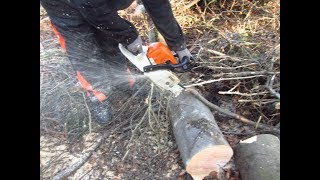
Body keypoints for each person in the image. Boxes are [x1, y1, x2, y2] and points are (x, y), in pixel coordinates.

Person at [40, 0, 192, 124]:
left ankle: (125, 82)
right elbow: (90, 6)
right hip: (63, 7)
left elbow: (158, 6)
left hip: (98, 4)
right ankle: (98, 95)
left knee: (109, 41)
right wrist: (129, 36)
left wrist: (177, 44)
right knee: (83, 52)